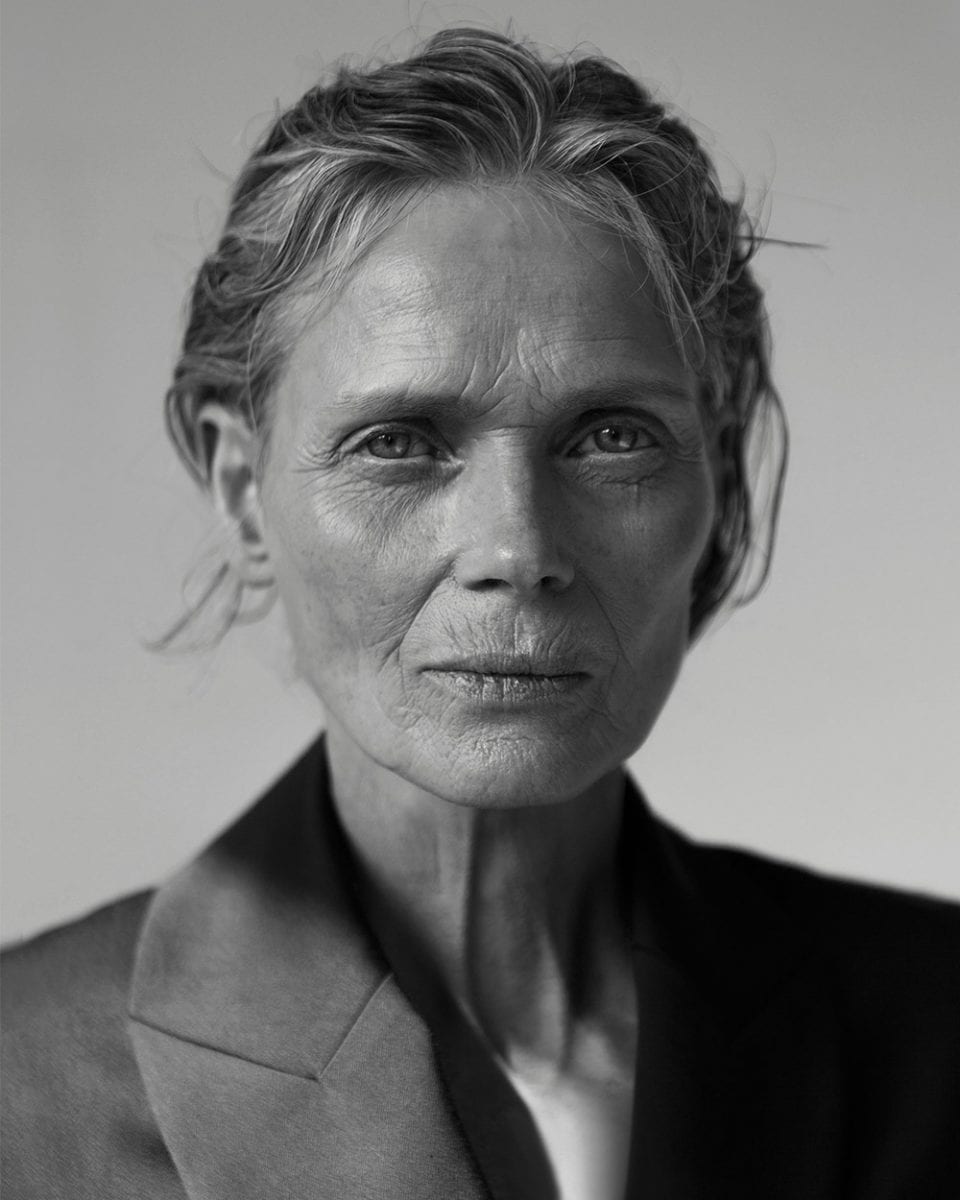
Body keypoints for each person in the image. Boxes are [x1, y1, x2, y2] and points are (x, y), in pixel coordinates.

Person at [3, 27, 958, 1200]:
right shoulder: (24, 1091)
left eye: (611, 438)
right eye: (397, 443)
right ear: (243, 486)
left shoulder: (934, 1030)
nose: (517, 549)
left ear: (719, 476)